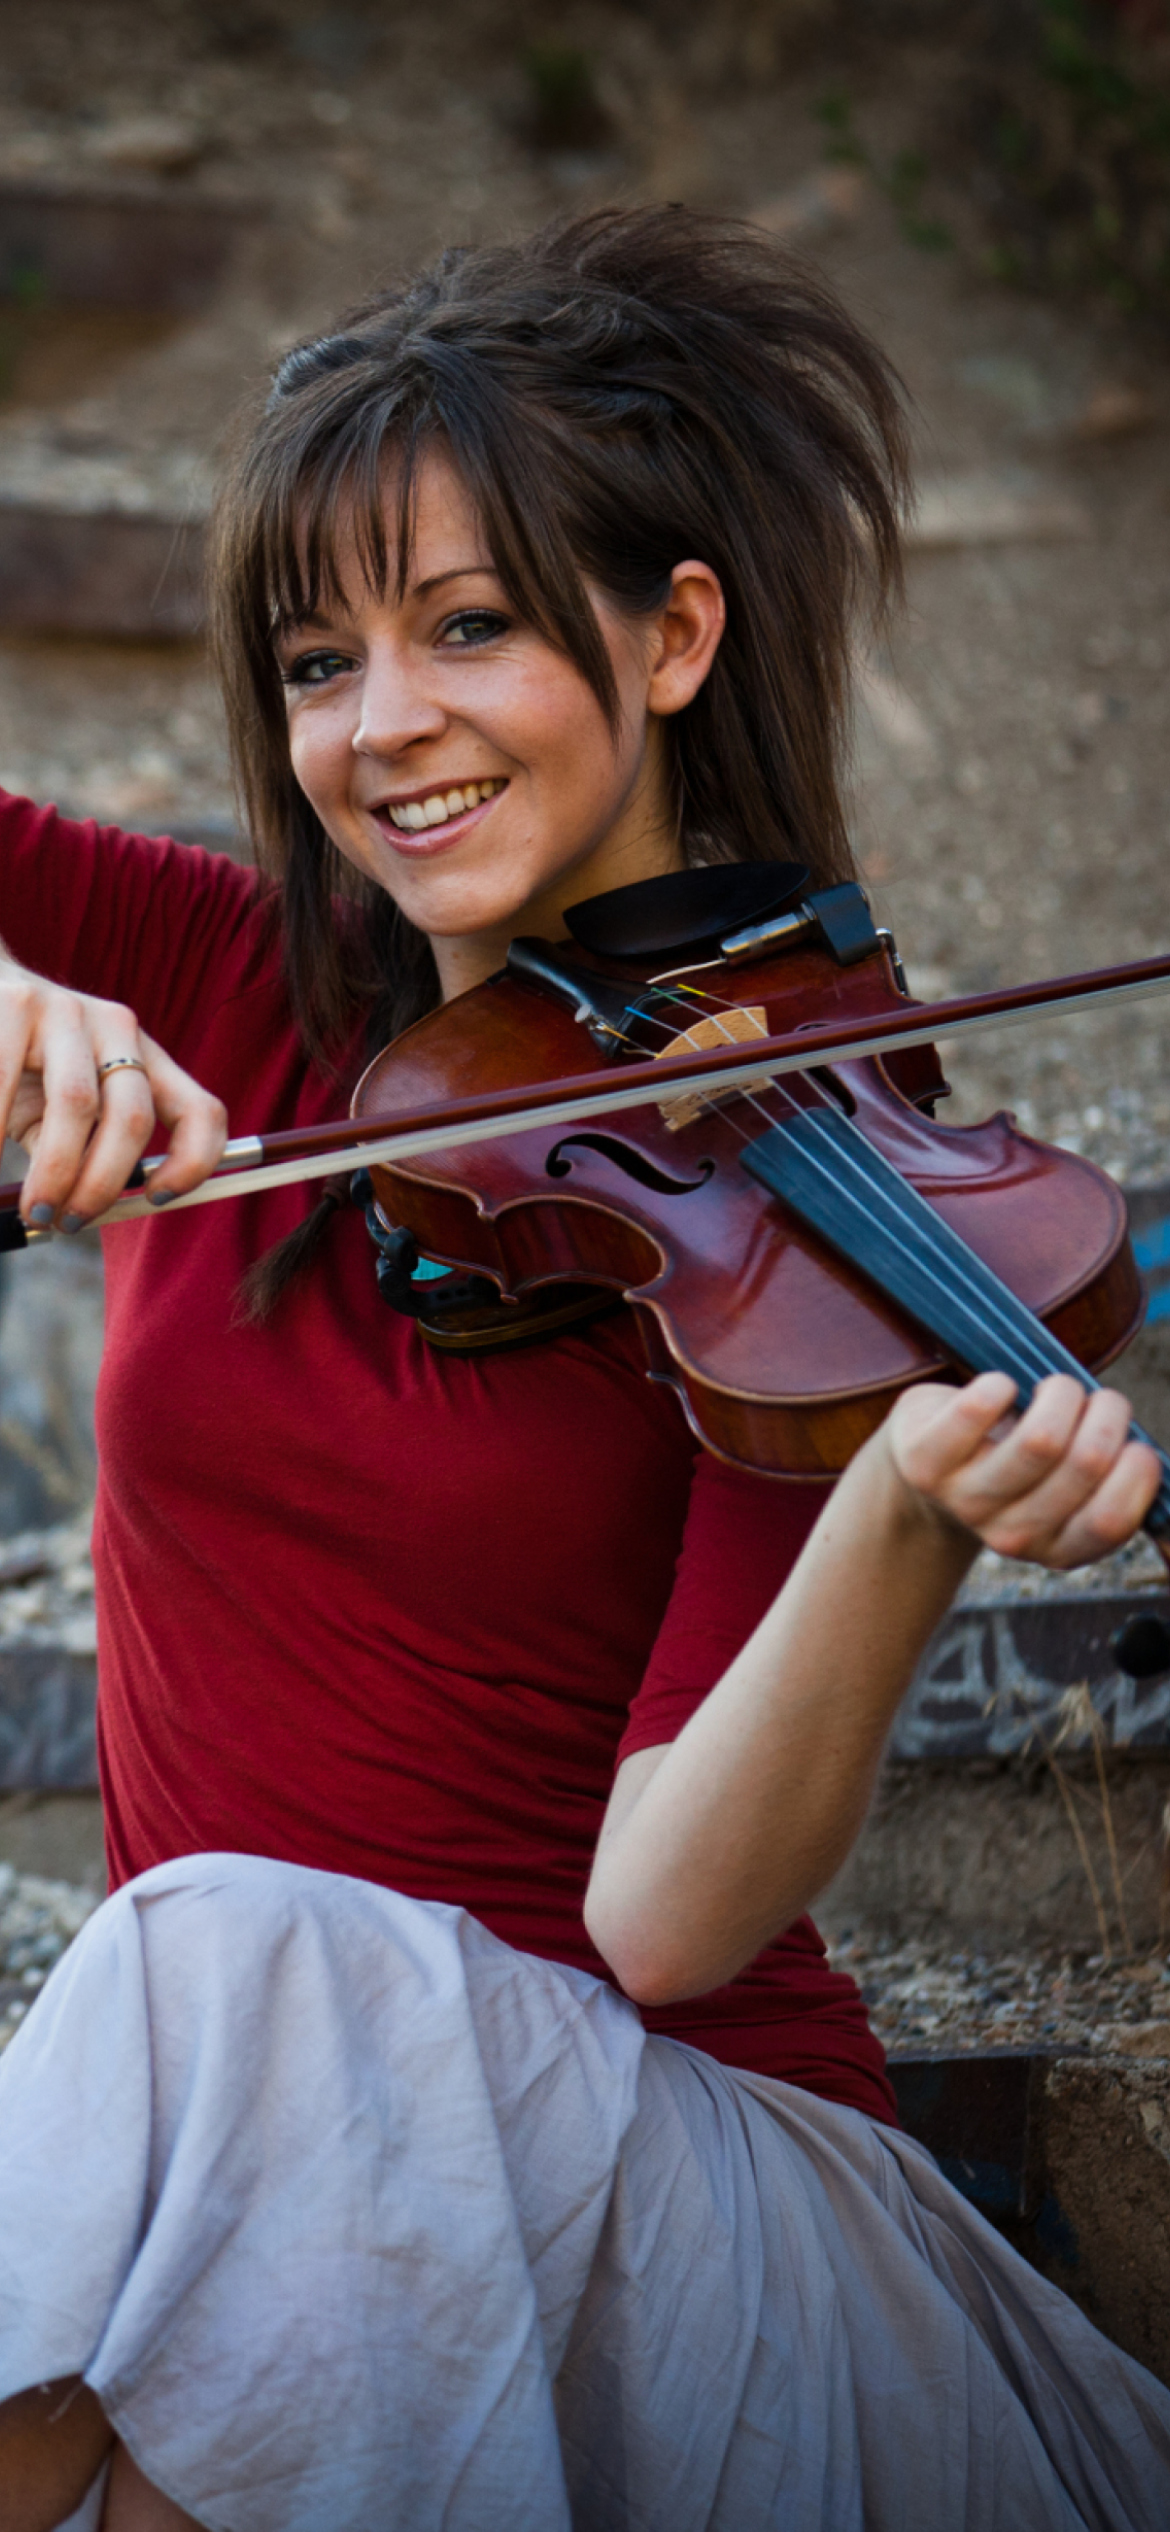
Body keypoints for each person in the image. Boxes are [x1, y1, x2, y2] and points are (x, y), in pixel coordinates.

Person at [0, 205, 1166, 2532]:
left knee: (215, 1953)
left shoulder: (805, 1224)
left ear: (670, 634)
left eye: (469, 629)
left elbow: (663, 1927)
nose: (381, 728)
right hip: (273, 2162)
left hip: (672, 2191)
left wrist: (904, 1509)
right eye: (317, 661)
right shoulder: (248, 983)